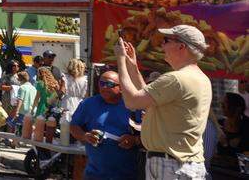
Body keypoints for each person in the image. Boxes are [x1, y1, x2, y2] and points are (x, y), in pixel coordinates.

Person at [117, 25, 212, 179]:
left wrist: (120, 61)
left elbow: (132, 101)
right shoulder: (201, 78)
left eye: (166, 40)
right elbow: (148, 99)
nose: (162, 45)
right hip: (181, 164)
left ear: (182, 46)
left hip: (171, 165)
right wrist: (132, 67)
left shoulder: (176, 79)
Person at [69, 70, 141, 180]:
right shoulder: (88, 104)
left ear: (121, 87)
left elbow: (149, 135)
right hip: (94, 174)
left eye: (110, 84)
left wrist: (134, 140)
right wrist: (85, 136)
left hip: (127, 174)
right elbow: (74, 126)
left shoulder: (133, 106)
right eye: (102, 83)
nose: (105, 87)